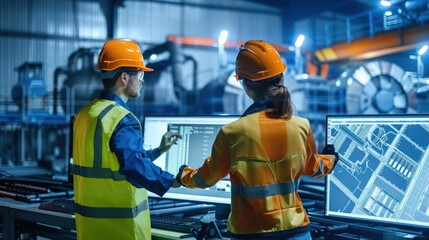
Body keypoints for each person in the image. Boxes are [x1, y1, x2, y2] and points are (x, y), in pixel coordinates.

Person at [175, 40, 338, 239]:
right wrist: (331, 159)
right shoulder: (301, 126)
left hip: (251, 234)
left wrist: (183, 175)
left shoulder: (232, 132)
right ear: (281, 77)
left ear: (245, 85)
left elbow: (205, 179)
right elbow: (315, 168)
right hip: (298, 232)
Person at [73, 39, 182, 240]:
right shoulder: (121, 119)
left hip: (90, 229)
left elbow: (114, 162)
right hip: (120, 230)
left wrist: (158, 150)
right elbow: (132, 166)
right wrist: (173, 180)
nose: (142, 80)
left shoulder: (84, 114)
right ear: (124, 77)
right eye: (140, 74)